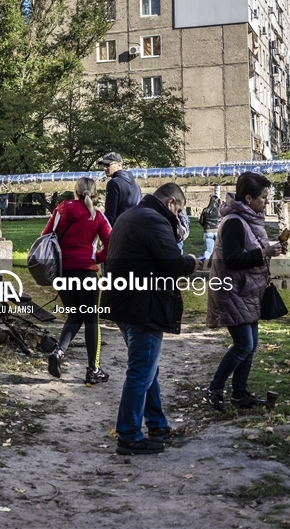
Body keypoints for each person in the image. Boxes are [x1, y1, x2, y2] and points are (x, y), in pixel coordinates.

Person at [101, 182, 197, 455]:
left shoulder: (129, 215)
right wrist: (193, 261)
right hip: (143, 305)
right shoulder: (154, 221)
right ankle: (129, 435)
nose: (179, 218)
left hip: (123, 302)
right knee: (141, 371)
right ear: (171, 204)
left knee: (147, 368)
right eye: (180, 212)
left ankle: (157, 424)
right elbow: (174, 264)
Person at [205, 172, 287, 412]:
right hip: (231, 291)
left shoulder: (251, 220)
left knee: (251, 344)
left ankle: (240, 395)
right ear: (248, 198)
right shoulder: (233, 222)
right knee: (243, 344)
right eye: (263, 197)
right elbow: (232, 259)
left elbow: (251, 249)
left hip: (247, 291)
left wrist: (271, 249)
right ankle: (214, 389)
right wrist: (264, 253)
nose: (266, 202)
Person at [42, 177, 113, 385]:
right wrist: (95, 258)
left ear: (75, 192)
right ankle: (93, 369)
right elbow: (111, 244)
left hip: (62, 273)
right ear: (95, 194)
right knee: (91, 319)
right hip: (87, 274)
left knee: (75, 315)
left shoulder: (59, 211)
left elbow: (45, 237)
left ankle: (58, 352)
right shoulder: (98, 215)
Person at [98, 152, 141, 227]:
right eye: (104, 165)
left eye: (108, 165)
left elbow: (110, 215)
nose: (105, 168)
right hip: (135, 229)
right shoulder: (136, 185)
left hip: (119, 231)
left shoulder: (114, 183)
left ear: (119, 164)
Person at [198, 194, 223, 261]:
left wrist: (205, 227)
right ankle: (218, 264)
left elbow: (201, 221)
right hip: (218, 231)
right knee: (219, 250)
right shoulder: (220, 210)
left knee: (208, 251)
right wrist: (221, 204)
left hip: (208, 231)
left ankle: (205, 263)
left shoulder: (205, 210)